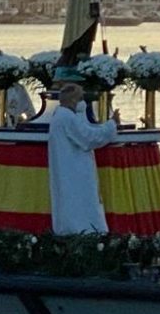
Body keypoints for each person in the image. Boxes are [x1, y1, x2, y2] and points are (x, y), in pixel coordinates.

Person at [48, 83, 121, 235]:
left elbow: (86, 131)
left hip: (70, 169)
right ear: (73, 100)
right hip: (74, 173)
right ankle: (84, 233)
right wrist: (112, 124)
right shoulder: (67, 117)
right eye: (81, 98)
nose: (83, 102)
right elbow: (88, 138)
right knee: (80, 203)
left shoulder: (63, 115)